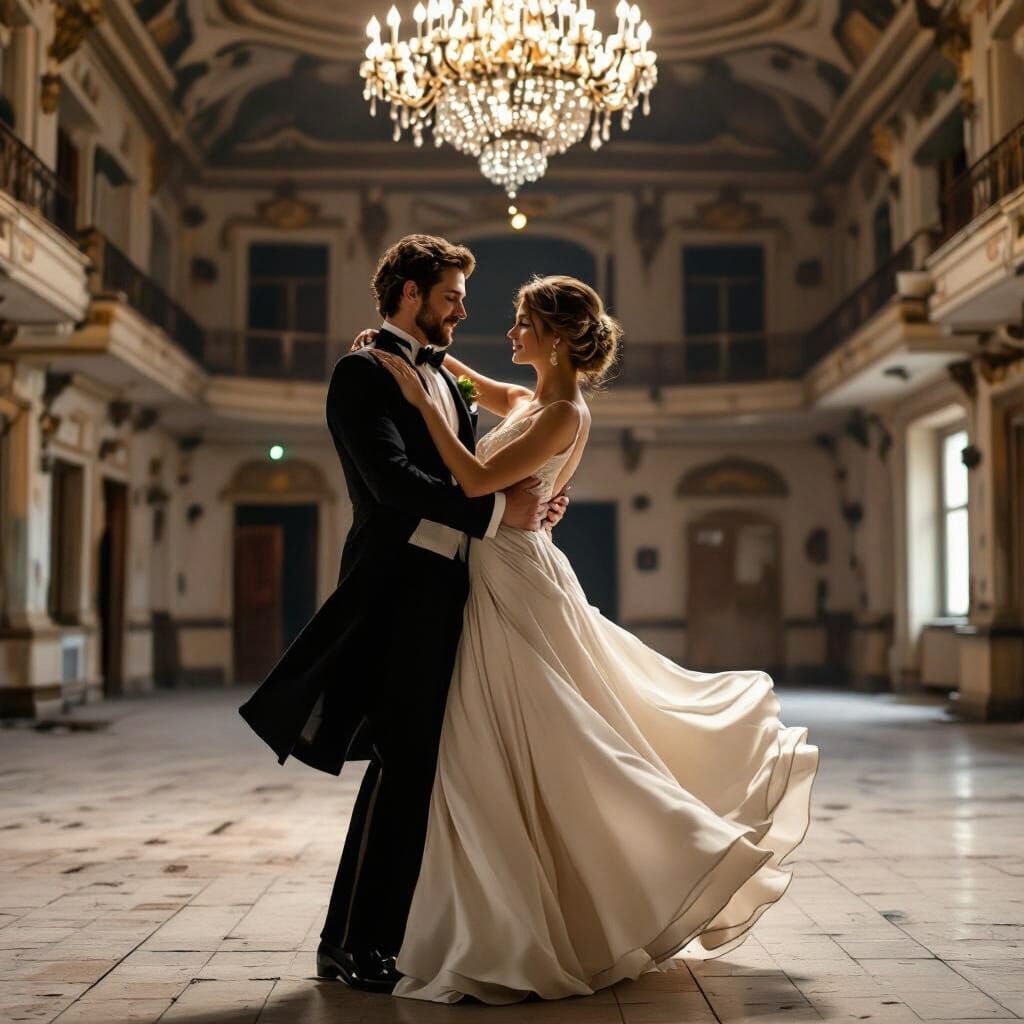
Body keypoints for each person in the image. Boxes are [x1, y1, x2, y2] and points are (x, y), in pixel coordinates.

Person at [366, 273, 820, 1004]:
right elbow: (486, 392)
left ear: (551, 336)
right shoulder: (535, 400)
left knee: (542, 730)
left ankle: (627, 874)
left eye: (520, 322)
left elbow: (478, 478)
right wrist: (424, 358)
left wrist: (421, 402)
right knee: (534, 730)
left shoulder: (560, 413)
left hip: (514, 576)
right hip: (507, 568)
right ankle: (545, 898)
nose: (508, 333)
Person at [238, 235, 569, 992]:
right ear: (412, 294)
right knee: (406, 765)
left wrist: (517, 502)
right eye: (451, 296)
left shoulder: (433, 372)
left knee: (406, 767)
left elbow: (467, 457)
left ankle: (350, 939)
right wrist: (497, 514)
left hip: (449, 590)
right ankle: (365, 946)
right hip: (395, 592)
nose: (462, 309)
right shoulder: (359, 374)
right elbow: (391, 481)